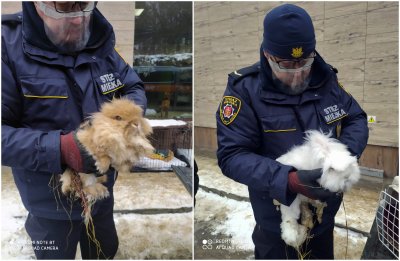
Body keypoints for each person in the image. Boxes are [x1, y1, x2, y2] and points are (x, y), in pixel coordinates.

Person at [216, 4, 368, 259]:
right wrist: (287, 179)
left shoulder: (326, 79)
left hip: (324, 217)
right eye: (286, 65)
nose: (297, 74)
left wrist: (340, 157)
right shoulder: (244, 91)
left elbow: (356, 118)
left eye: (304, 61)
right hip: (276, 221)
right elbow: (232, 155)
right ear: (267, 54)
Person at [2, 2, 146, 259]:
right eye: (65, 7)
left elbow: (133, 88)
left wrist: (124, 120)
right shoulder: (7, 45)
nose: (79, 20)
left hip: (101, 191)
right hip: (48, 201)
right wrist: (61, 148)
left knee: (104, 251)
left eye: (85, 5)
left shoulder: (102, 44)